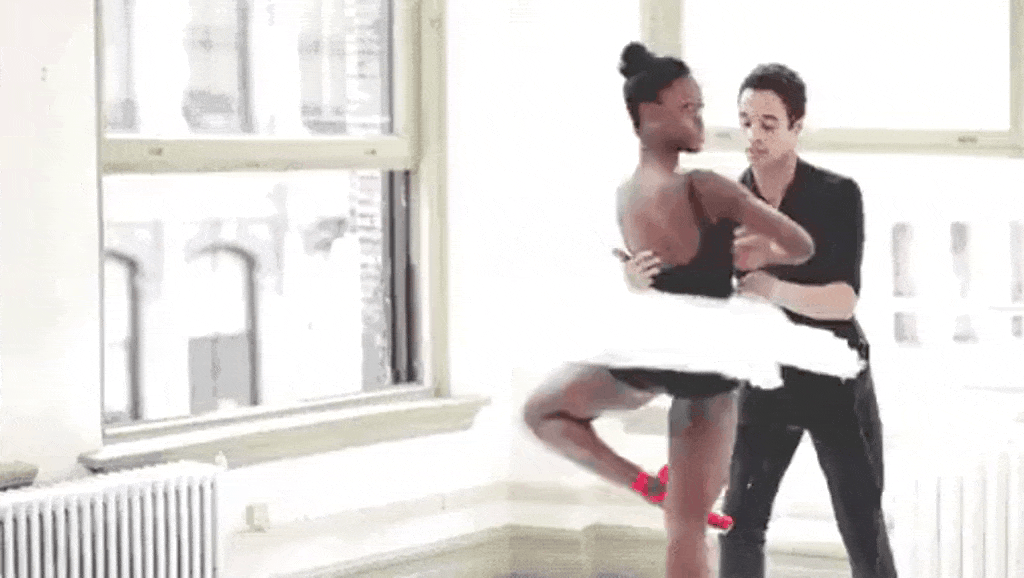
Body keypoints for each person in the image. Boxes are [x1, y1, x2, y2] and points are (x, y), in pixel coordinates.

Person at [521, 43, 864, 578]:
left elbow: (658, 266)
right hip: (698, 358)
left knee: (544, 413)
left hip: (659, 351)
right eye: (689, 109)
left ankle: (648, 486)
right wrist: (762, 253)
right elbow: (801, 246)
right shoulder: (707, 187)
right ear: (650, 114)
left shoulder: (626, 196)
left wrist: (641, 277)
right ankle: (659, 491)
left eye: (701, 108)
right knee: (686, 527)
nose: (702, 120)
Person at [623, 63, 898, 577]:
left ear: (797, 126)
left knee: (862, 523)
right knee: (740, 522)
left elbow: (843, 301)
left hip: (835, 379)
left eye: (769, 124)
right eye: (746, 122)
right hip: (766, 380)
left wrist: (773, 288)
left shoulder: (838, 195)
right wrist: (644, 280)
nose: (754, 135)